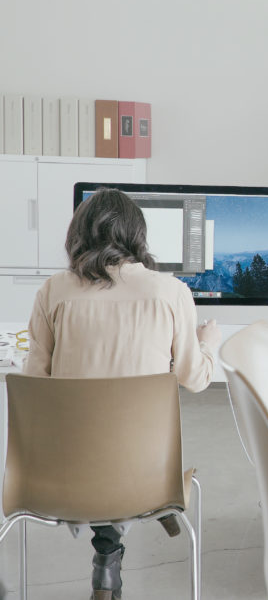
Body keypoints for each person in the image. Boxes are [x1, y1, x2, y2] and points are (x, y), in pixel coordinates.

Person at [23, 188, 220, 600]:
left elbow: (35, 382)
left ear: (79, 233)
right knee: (124, 445)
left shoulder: (53, 292)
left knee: (90, 439)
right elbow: (196, 379)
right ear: (137, 234)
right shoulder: (171, 292)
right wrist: (208, 343)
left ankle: (107, 552)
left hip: (63, 477)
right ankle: (132, 526)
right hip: (147, 475)